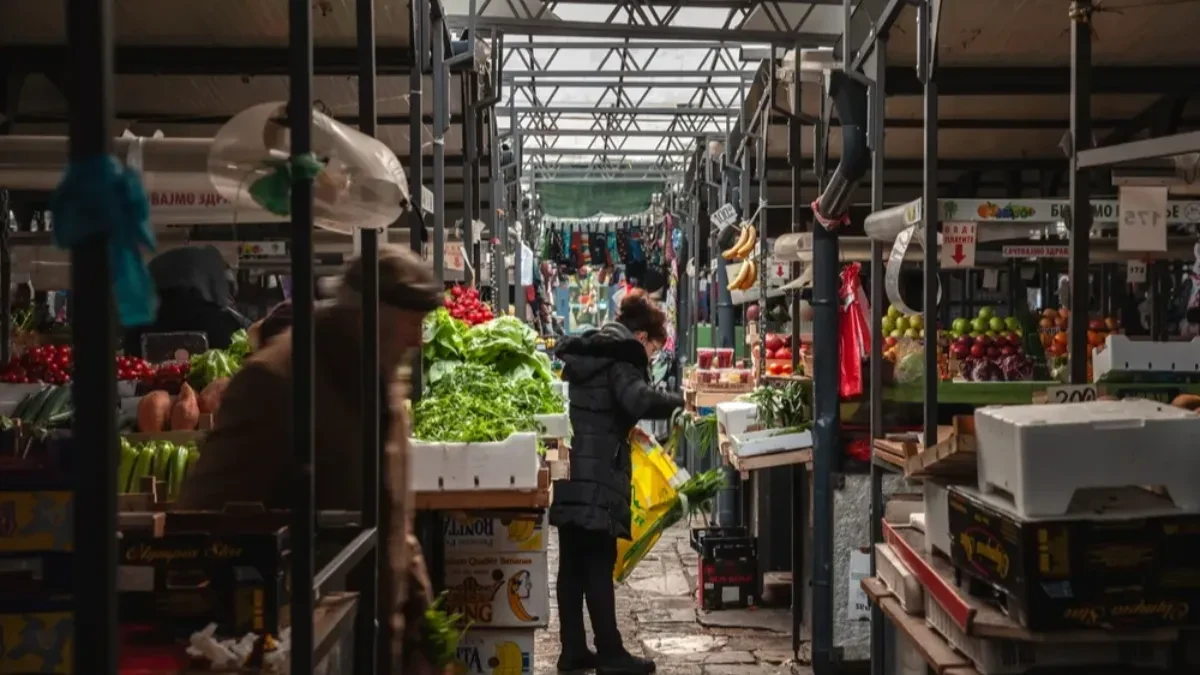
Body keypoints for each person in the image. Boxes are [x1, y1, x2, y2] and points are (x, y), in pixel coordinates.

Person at [177, 245, 444, 673]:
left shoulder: (384, 385)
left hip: (372, 645)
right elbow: (201, 521)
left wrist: (423, 627)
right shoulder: (278, 381)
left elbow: (395, 522)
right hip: (306, 646)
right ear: (368, 316)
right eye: (410, 324)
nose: (417, 341)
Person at [551, 289, 685, 675]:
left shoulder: (592, 351)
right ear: (642, 337)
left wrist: (625, 425)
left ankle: (572, 650)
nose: (652, 358)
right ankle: (610, 653)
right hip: (597, 475)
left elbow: (604, 404)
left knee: (572, 564)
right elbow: (639, 399)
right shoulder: (623, 356)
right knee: (598, 560)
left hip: (571, 469)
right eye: (654, 350)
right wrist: (682, 402)